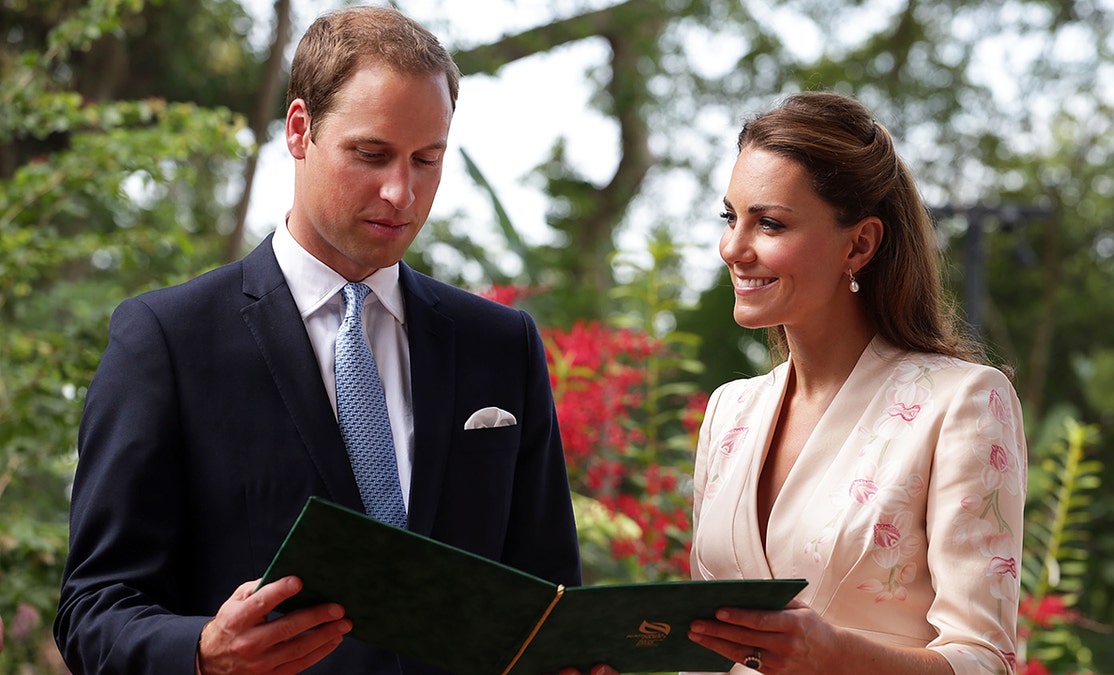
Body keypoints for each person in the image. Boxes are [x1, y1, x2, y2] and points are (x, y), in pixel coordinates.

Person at [54, 6, 581, 674]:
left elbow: (553, 598)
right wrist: (201, 652)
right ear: (299, 130)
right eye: (371, 154)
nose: (402, 191)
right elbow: (94, 608)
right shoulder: (166, 341)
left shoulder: (500, 344)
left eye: (427, 160)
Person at [679, 91, 1027, 675]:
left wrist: (839, 657)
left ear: (860, 243)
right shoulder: (729, 411)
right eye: (730, 217)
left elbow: (986, 660)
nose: (733, 248)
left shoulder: (964, 402)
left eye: (769, 223)